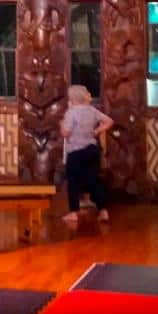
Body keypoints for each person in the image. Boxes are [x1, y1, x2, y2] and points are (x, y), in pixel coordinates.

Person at [61, 85, 112, 224]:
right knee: (94, 181)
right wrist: (97, 131)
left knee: (73, 182)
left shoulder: (71, 113)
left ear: (72, 98)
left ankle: (73, 212)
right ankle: (103, 211)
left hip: (75, 152)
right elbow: (109, 121)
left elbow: (66, 133)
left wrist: (61, 125)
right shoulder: (92, 110)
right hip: (92, 150)